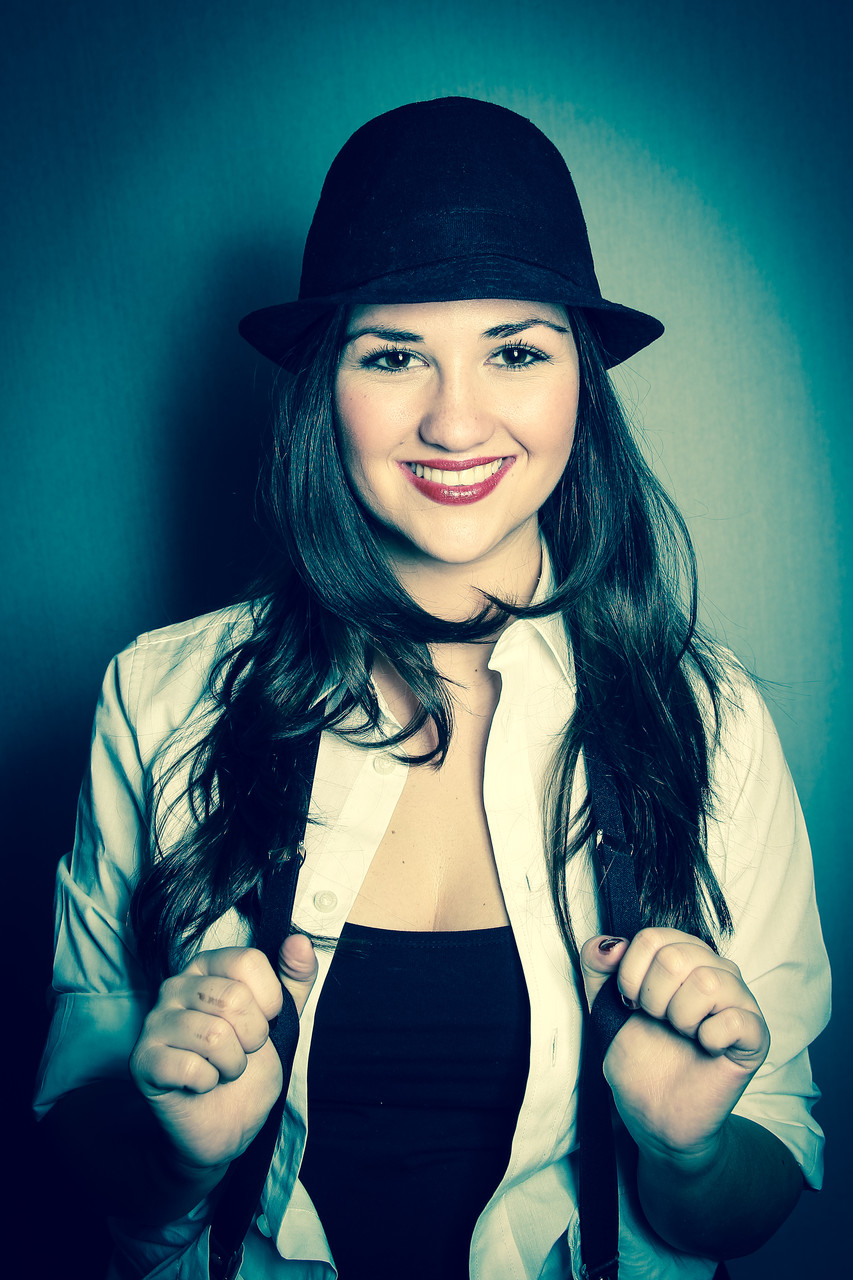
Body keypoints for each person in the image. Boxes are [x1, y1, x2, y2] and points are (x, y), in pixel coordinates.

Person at [34, 97, 829, 1280]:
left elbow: (762, 1176)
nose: (455, 421)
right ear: (326, 383)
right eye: (393, 354)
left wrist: (691, 1154)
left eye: (516, 350)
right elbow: (77, 1125)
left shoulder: (705, 720)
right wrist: (175, 1153)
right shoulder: (159, 698)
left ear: (581, 379)